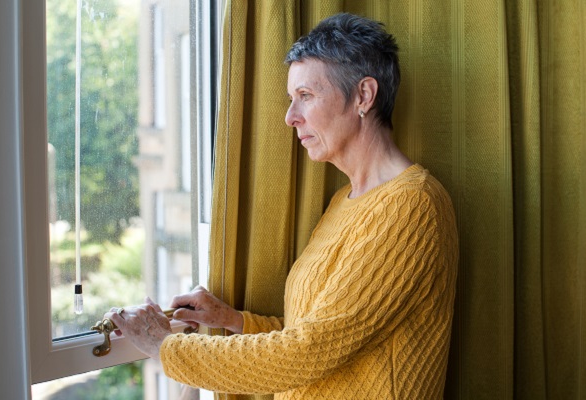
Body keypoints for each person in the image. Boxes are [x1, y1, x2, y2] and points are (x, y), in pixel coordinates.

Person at [105, 13, 458, 399]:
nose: (290, 117)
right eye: (292, 99)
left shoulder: (413, 206)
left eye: (306, 96)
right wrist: (233, 320)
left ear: (363, 95)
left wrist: (163, 345)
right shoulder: (344, 201)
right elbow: (319, 333)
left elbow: (307, 352)